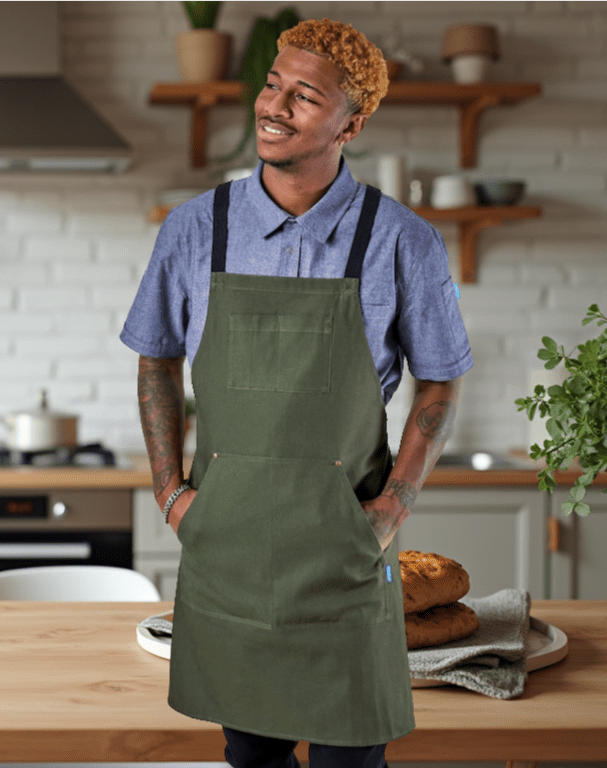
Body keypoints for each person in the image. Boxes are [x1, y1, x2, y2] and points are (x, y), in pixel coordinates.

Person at [120, 18, 471, 768]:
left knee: (353, 757)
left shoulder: (401, 239)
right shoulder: (194, 229)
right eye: (272, 84)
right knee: (250, 756)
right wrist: (170, 494)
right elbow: (155, 360)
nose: (273, 106)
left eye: (304, 96)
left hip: (344, 555)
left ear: (353, 122)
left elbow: (441, 376)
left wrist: (396, 505)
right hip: (227, 553)